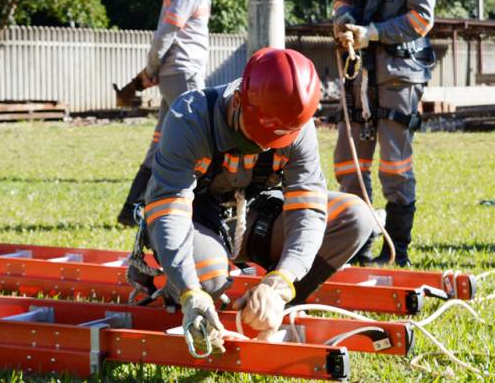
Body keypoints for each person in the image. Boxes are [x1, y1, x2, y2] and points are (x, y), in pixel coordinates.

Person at [132, 47, 374, 354]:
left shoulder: (297, 125)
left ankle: (267, 307)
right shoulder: (190, 118)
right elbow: (169, 212)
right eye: (258, 135)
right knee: (206, 274)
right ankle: (200, 299)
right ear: (238, 102)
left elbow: (308, 209)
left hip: (252, 218)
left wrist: (280, 282)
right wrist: (189, 290)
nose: (263, 145)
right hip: (197, 223)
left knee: (355, 217)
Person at [331, 0, 438, 266]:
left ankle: (397, 252)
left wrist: (372, 34)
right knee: (349, 164)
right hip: (360, 73)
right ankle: (357, 248)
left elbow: (422, 19)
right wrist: (343, 21)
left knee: (394, 166)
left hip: (398, 73)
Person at [118, 0, 236, 227]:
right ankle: (204, 208)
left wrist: (155, 72)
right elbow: (167, 33)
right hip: (183, 73)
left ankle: (132, 208)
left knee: (160, 142)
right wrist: (150, 70)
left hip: (177, 73)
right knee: (205, 135)